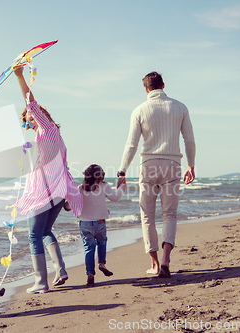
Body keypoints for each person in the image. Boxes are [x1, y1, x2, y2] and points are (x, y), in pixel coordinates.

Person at [117, 71, 196, 278]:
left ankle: (154, 264)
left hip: (149, 165)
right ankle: (166, 260)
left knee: (147, 215)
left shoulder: (139, 110)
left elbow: (131, 144)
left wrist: (122, 170)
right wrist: (191, 165)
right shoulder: (180, 107)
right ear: (163, 84)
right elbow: (189, 140)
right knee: (169, 214)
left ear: (146, 89)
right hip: (172, 164)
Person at [13, 65, 83, 294]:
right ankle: (60, 270)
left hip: (46, 192)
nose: (29, 123)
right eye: (26, 122)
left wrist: (20, 76)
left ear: (39, 116)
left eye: (30, 119)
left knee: (34, 235)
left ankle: (41, 283)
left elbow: (31, 102)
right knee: (44, 232)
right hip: (56, 191)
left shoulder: (48, 129)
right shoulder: (47, 137)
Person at [77, 164, 126, 286]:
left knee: (88, 248)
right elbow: (115, 197)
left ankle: (90, 273)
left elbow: (72, 203)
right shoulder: (103, 186)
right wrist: (122, 188)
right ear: (101, 176)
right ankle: (101, 264)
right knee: (102, 241)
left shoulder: (80, 188)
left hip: (84, 224)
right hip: (99, 223)